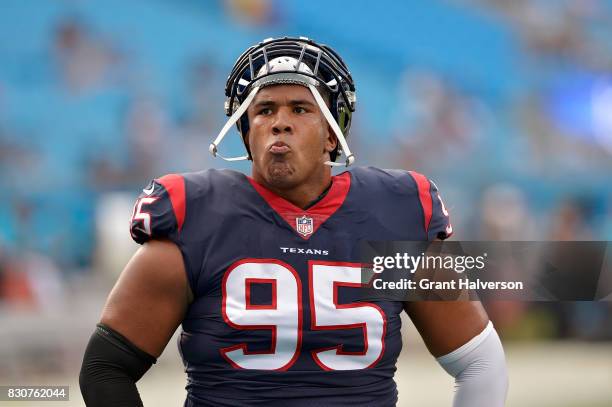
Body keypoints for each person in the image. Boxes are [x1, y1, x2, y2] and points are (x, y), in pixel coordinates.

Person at [79, 37, 508, 406]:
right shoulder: (198, 215)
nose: (279, 121)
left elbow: (479, 361)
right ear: (245, 130)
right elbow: (105, 368)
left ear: (332, 132)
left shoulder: (394, 212)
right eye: (263, 110)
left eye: (301, 108)